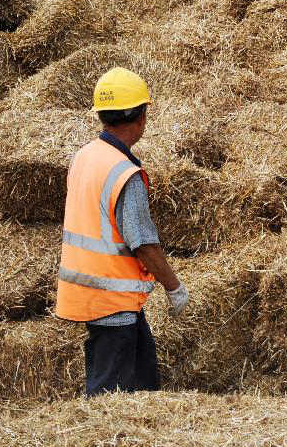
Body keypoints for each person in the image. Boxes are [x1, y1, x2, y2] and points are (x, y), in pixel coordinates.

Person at [55, 67, 189, 396]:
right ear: (141, 118)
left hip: (95, 294)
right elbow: (143, 244)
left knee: (143, 385)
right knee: (109, 398)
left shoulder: (85, 156)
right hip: (110, 299)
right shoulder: (124, 173)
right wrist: (174, 287)